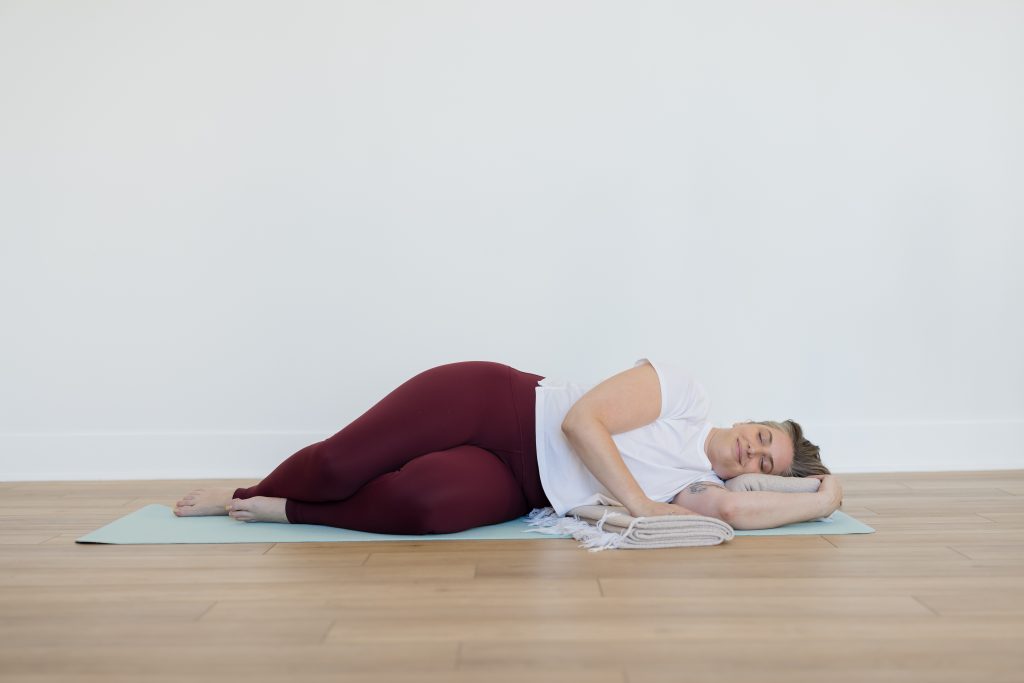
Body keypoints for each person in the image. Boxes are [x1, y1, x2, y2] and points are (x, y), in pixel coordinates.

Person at [174, 358, 842, 533]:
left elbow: (732, 513)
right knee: (339, 462)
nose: (749, 456)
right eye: (760, 439)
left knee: (421, 506)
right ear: (748, 420)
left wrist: (820, 497)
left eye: (763, 465)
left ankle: (285, 510)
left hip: (525, 489)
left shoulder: (697, 493)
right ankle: (252, 488)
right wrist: (637, 503)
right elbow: (581, 421)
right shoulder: (685, 393)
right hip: (500, 404)